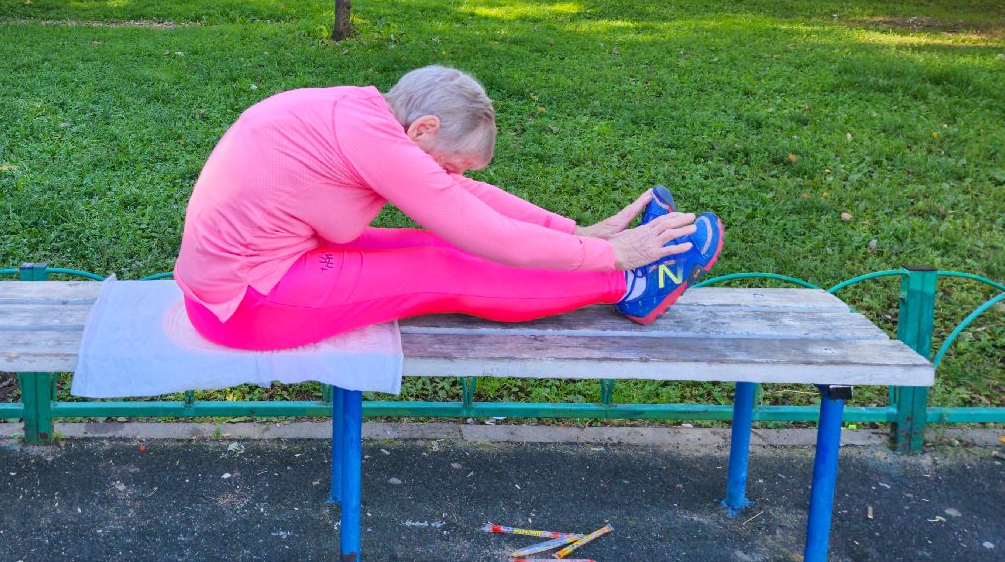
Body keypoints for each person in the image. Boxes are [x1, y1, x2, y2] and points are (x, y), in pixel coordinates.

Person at [174, 66, 723, 350]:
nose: (452, 177)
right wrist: (616, 256)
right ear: (425, 129)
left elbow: (462, 200)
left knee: (435, 243)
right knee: (445, 265)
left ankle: (621, 276)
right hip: (245, 306)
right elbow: (495, 238)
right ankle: (630, 286)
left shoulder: (363, 112)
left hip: (245, 280)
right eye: (450, 163)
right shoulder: (379, 144)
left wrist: (577, 231)